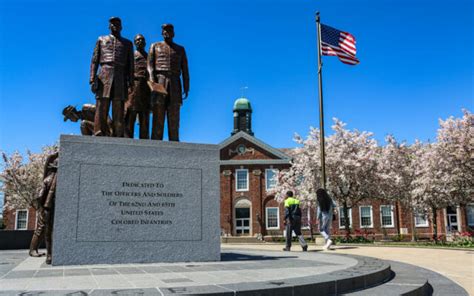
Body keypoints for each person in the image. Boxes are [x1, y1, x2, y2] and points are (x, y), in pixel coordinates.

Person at [90, 17, 134, 137]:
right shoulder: (101, 39)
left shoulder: (128, 43)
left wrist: (131, 82)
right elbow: (95, 60)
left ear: (121, 27)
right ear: (109, 26)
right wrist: (92, 78)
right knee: (101, 105)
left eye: (117, 24)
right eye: (112, 24)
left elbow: (131, 65)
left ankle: (118, 134)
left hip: (121, 75)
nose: (115, 26)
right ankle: (99, 131)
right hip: (104, 73)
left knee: (118, 107)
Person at [147, 23, 189, 141]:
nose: (167, 32)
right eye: (164, 30)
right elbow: (150, 66)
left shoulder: (180, 49)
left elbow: (185, 69)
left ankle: (174, 141)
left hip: (175, 82)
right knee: (158, 114)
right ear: (161, 33)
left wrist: (186, 86)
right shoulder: (154, 46)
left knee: (174, 115)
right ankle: (155, 142)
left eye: (169, 30)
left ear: (173, 33)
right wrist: (152, 80)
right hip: (160, 81)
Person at [124, 34, 150, 139]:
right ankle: (128, 138)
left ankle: (144, 139)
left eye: (142, 40)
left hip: (146, 87)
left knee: (144, 114)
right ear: (135, 43)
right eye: (138, 40)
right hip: (133, 86)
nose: (140, 41)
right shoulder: (131, 55)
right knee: (131, 113)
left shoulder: (149, 56)